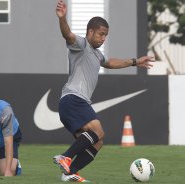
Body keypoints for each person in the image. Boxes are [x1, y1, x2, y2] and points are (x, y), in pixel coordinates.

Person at [53, 0, 154, 182]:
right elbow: (67, 35)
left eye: (106, 35)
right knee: (98, 131)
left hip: (73, 104)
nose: (103, 38)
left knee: (97, 141)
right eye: (101, 34)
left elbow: (110, 63)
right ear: (90, 31)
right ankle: (65, 157)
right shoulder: (81, 45)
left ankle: (69, 173)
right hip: (73, 99)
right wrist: (62, 18)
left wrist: (134, 61)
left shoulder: (97, 54)